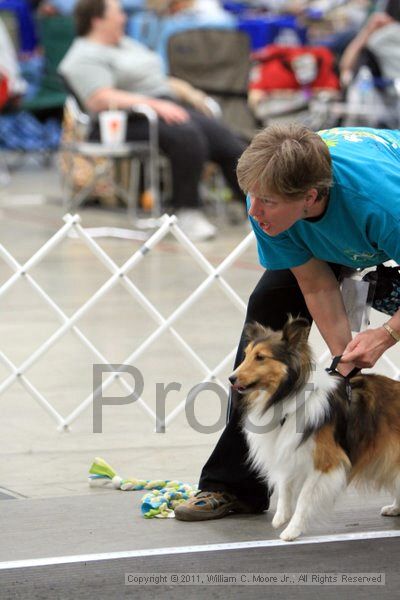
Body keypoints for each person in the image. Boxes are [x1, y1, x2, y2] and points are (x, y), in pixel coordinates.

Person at [174, 123, 400, 521]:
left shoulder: (383, 203)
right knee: (268, 310)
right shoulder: (267, 203)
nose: (254, 212)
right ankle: (233, 486)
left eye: (267, 202)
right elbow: (315, 284)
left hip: (375, 212)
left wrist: (385, 334)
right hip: (333, 228)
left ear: (310, 196)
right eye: (251, 197)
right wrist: (342, 362)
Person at [58, 0, 246, 241]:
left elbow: (157, 78)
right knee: (187, 137)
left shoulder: (126, 44)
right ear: (97, 19)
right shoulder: (83, 55)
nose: (124, 18)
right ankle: (187, 212)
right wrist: (155, 105)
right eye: (118, 14)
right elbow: (100, 98)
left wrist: (189, 93)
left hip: (165, 107)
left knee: (226, 140)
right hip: (123, 119)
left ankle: (250, 204)